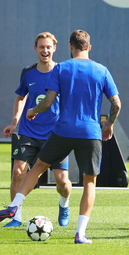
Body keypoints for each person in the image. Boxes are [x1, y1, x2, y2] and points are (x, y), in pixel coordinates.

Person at [0, 30, 121, 244]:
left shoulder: (62, 68)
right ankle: (80, 234)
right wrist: (108, 125)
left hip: (63, 131)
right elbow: (116, 104)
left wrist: (31, 111)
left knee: (37, 168)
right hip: (90, 132)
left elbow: (47, 102)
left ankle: (13, 206)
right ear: (89, 47)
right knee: (89, 183)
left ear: (69, 46)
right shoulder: (101, 70)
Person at [2, 32, 71, 228]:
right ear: (35, 49)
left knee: (63, 182)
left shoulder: (62, 71)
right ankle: (16, 216)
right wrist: (14, 121)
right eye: (41, 47)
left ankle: (64, 203)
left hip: (56, 134)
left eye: (48, 47)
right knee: (18, 172)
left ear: (55, 48)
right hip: (28, 131)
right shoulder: (28, 72)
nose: (45, 50)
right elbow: (21, 97)